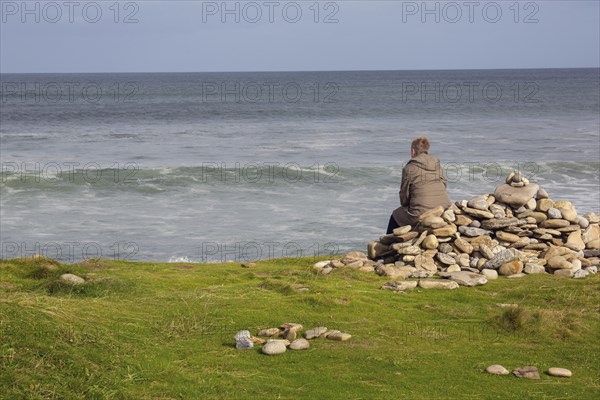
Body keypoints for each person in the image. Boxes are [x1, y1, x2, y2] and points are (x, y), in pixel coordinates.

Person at [387, 136, 451, 234]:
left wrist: (408, 205)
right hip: (444, 208)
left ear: (413, 151)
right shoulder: (438, 166)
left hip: (422, 212)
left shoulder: (409, 168)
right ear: (427, 150)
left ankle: (386, 247)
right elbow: (444, 185)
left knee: (395, 215)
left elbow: (404, 198)